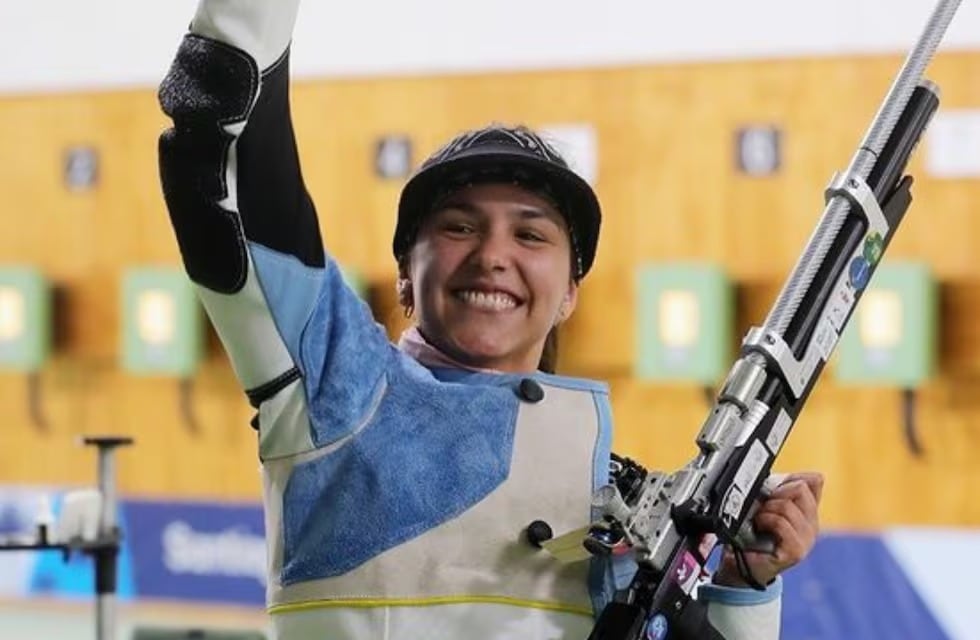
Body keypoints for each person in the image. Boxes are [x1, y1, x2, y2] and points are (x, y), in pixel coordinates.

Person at [157, 1, 823, 638]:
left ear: (569, 294)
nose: (493, 255)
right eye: (458, 226)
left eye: (530, 236)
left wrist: (742, 581)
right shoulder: (337, 389)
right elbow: (223, 135)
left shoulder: (620, 506)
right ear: (404, 276)